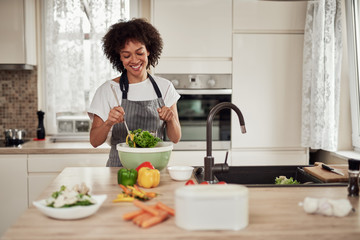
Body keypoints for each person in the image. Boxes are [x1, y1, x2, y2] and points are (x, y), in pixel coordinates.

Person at [88, 18, 181, 167]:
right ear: (119, 57)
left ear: (148, 50)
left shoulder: (165, 87)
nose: (134, 60)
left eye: (139, 53)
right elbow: (94, 141)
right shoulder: (108, 90)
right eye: (126, 55)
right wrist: (108, 123)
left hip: (154, 171)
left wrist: (170, 120)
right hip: (118, 172)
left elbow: (176, 138)